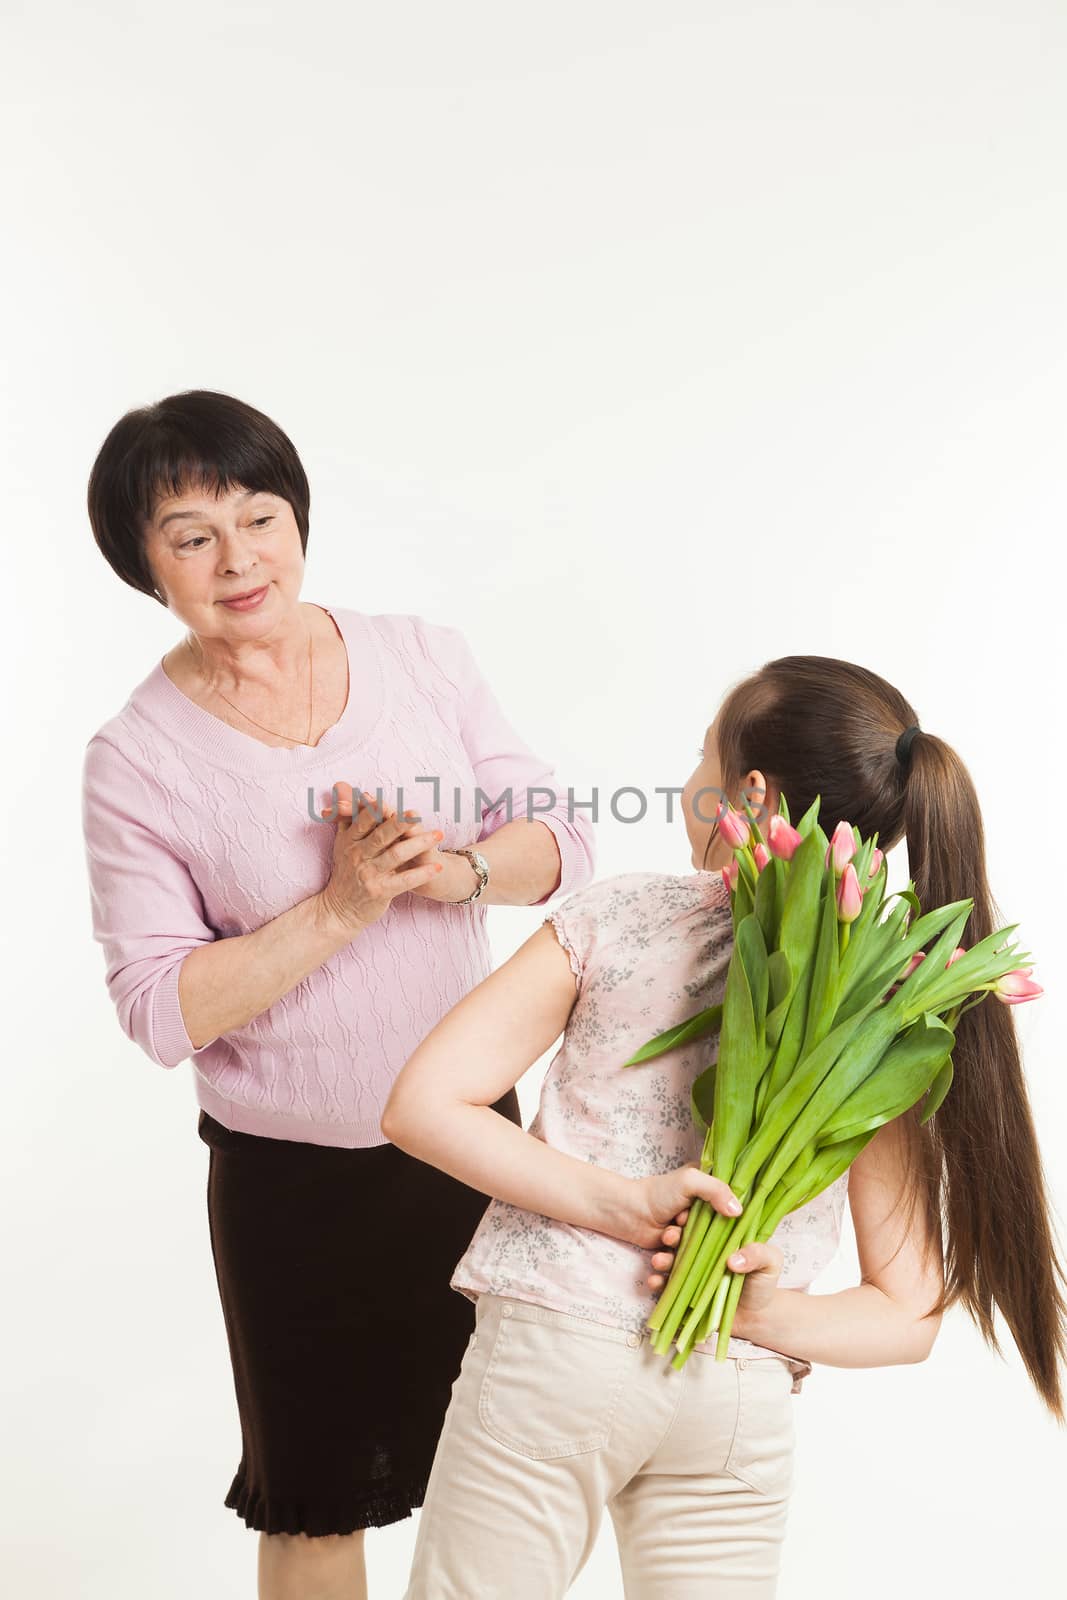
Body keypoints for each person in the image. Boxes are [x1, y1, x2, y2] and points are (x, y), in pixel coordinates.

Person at [383, 657, 1066, 1600]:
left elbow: (420, 1106)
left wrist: (625, 1208)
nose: (689, 778)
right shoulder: (896, 1004)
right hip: (734, 1386)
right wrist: (765, 1312)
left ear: (748, 791)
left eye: (701, 755)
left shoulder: (623, 913)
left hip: (558, 1354)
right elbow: (908, 1316)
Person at [79, 389, 596, 1600]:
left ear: (297, 517)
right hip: (293, 1186)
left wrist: (458, 867)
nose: (238, 556)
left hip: (474, 1146)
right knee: (316, 1498)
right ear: (141, 564)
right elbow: (158, 1007)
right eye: (190, 534)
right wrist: (341, 906)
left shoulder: (420, 655)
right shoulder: (134, 759)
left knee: (511, 1469)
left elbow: (560, 838)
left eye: (259, 515)